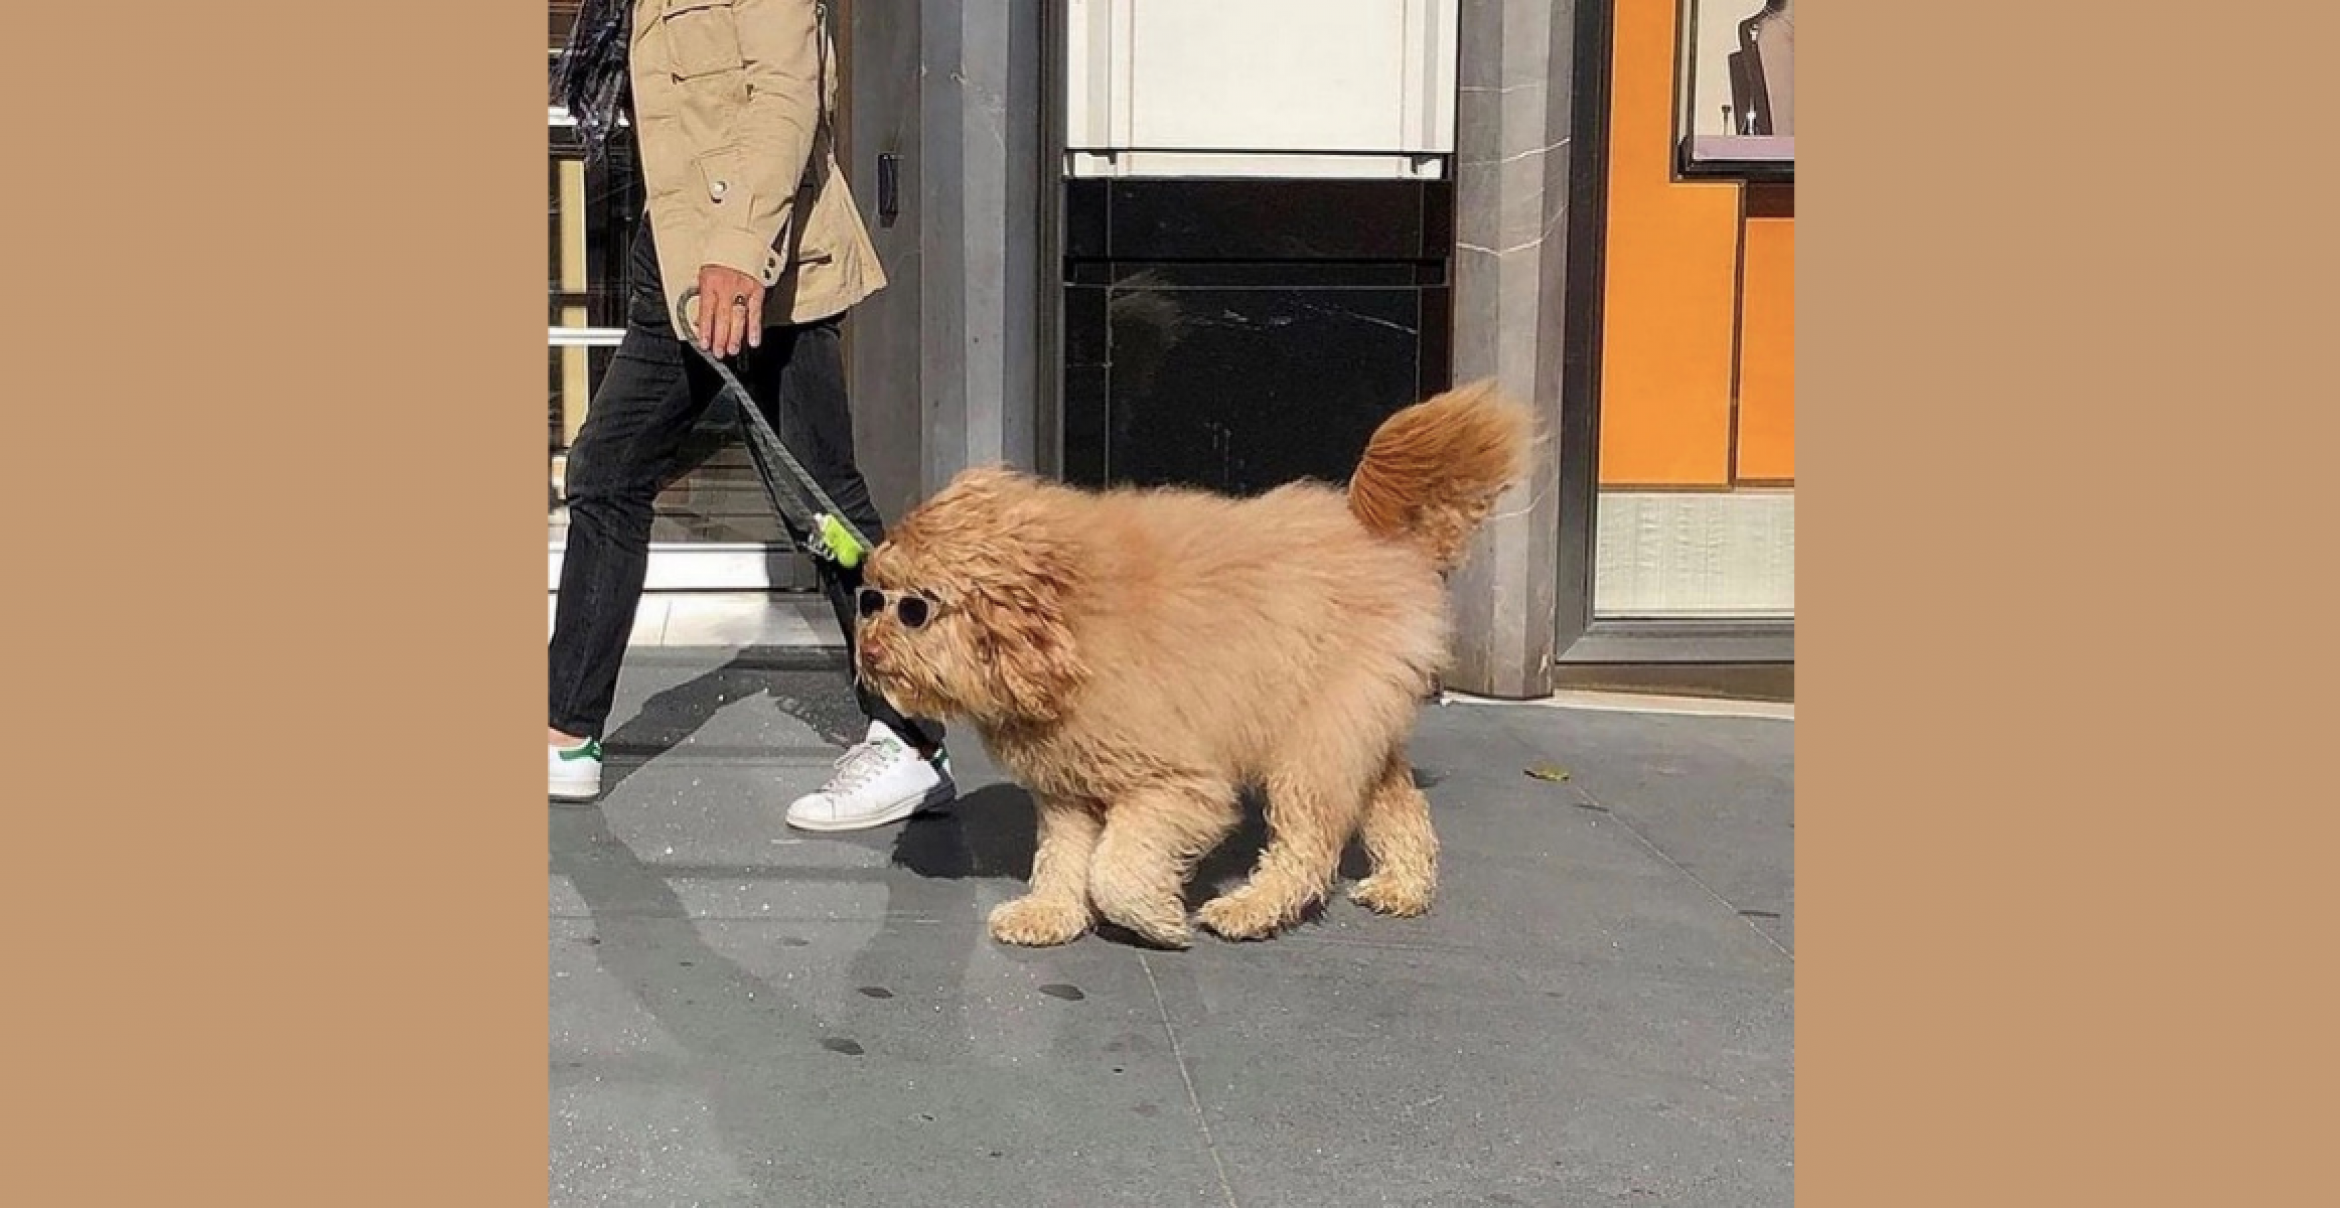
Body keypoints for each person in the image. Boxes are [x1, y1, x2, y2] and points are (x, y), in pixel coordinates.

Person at [547, 0, 953, 830]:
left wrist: (740, 251)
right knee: (607, 470)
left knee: (818, 504)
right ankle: (566, 734)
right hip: (680, 255)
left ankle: (913, 738)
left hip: (764, 268)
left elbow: (785, 95)